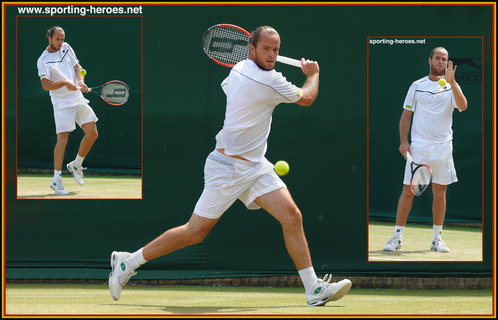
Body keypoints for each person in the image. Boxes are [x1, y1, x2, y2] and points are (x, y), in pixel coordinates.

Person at [109, 26, 351, 307]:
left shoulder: (238, 68)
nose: (272, 55)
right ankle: (129, 262)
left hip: (254, 165)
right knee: (195, 232)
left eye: (276, 49)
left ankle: (313, 289)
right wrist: (313, 74)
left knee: (292, 216)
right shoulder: (268, 81)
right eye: (266, 49)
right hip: (227, 168)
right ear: (252, 48)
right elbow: (307, 98)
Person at [383, 47, 468, 253]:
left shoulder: (451, 87)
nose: (441, 62)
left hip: (443, 148)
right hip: (419, 147)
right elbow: (406, 116)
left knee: (440, 192)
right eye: (437, 58)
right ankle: (396, 238)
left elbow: (463, 106)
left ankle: (436, 240)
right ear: (430, 60)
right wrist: (404, 142)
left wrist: (453, 82)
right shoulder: (417, 86)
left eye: (444, 59)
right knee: (408, 191)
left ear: (448, 63)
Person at [37, 26, 98, 195]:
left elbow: (78, 68)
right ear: (49, 37)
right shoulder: (42, 60)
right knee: (62, 139)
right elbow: (45, 85)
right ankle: (56, 180)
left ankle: (76, 164)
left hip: (77, 98)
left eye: (62, 39)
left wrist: (80, 81)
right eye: (57, 39)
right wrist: (64, 83)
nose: (60, 42)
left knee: (92, 133)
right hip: (61, 103)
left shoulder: (67, 48)